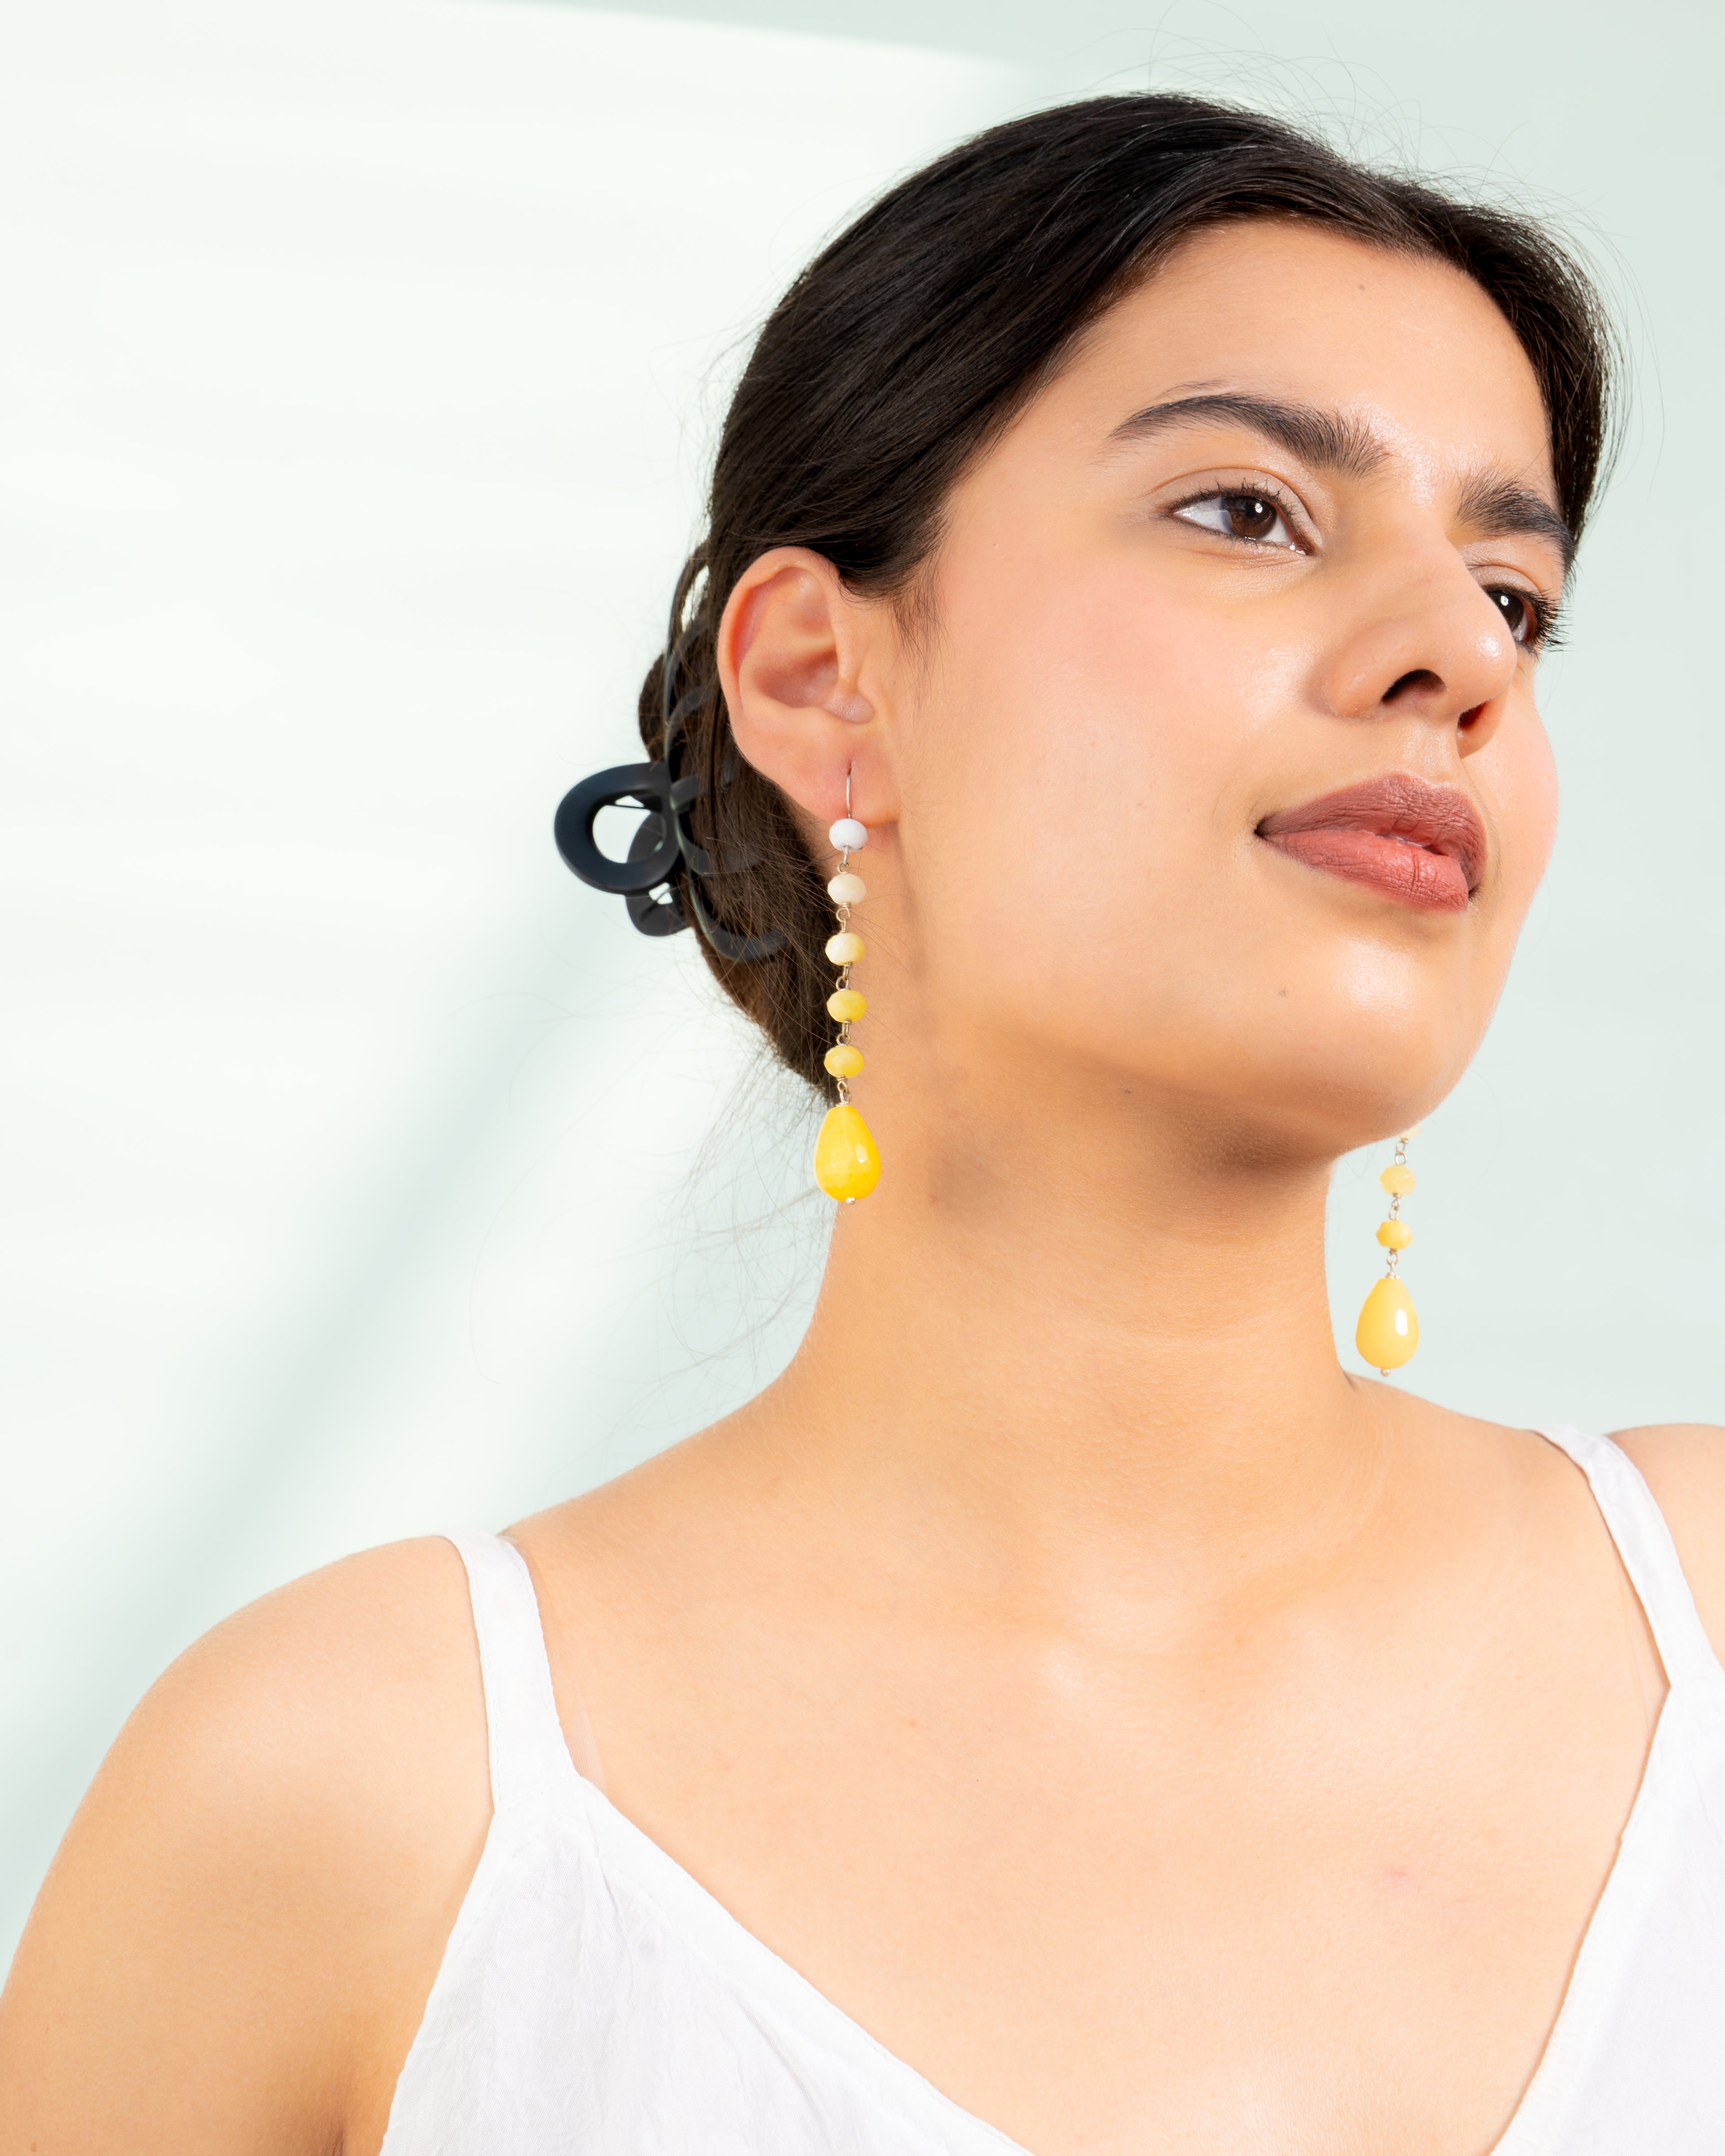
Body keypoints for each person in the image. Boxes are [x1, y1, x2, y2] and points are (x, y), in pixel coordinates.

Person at [2, 91, 1721, 2156]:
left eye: (1515, 597)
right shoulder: (351, 1798)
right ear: (823, 676)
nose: (1460, 658)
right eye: (1249, 510)